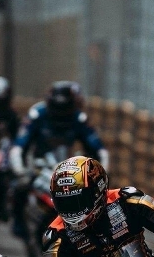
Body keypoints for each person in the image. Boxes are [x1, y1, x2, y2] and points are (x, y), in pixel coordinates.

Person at [10, 81, 109, 238]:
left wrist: (101, 171)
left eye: (64, 108)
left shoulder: (79, 118)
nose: (61, 114)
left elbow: (97, 148)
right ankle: (18, 222)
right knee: (19, 185)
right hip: (39, 165)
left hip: (69, 168)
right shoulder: (37, 114)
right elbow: (20, 144)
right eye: (57, 108)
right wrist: (19, 168)